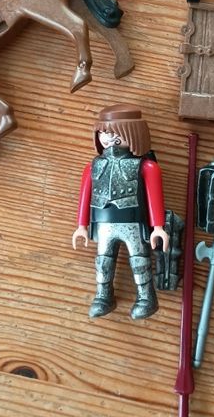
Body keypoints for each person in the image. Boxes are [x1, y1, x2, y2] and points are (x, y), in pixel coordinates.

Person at [72, 104, 169, 319]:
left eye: (115, 133)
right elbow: (85, 196)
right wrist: (81, 226)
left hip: (133, 222)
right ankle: (103, 296)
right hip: (104, 224)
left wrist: (158, 227)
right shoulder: (93, 166)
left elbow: (154, 197)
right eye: (104, 133)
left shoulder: (146, 166)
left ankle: (146, 298)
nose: (108, 138)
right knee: (103, 261)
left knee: (140, 261)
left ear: (133, 134)